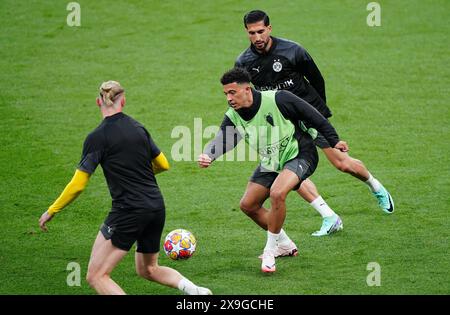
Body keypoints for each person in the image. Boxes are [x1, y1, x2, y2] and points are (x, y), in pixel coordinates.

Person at [39, 81, 211, 295]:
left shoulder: (97, 137)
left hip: (128, 211)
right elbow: (163, 164)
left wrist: (52, 210)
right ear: (124, 101)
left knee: (96, 275)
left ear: (97, 102)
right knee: (148, 269)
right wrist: (140, 176)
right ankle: (195, 291)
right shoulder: (138, 128)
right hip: (155, 207)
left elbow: (78, 185)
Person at [234, 10, 394, 236]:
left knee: (341, 163)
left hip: (309, 114)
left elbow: (317, 80)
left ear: (269, 28)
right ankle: (329, 216)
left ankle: (375, 186)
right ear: (247, 33)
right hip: (282, 123)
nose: (257, 37)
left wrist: (318, 114)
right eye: (252, 33)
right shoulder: (244, 62)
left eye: (261, 31)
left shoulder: (293, 51)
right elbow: (251, 96)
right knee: (289, 171)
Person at [198, 68, 347, 273]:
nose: (229, 98)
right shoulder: (234, 115)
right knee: (248, 205)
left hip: (300, 153)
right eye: (226, 94)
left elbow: (313, 116)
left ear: (247, 89)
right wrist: (209, 154)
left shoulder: (279, 99)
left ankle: (270, 250)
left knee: (278, 193)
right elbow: (224, 139)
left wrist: (334, 140)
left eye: (233, 92)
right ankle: (285, 244)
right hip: (272, 161)